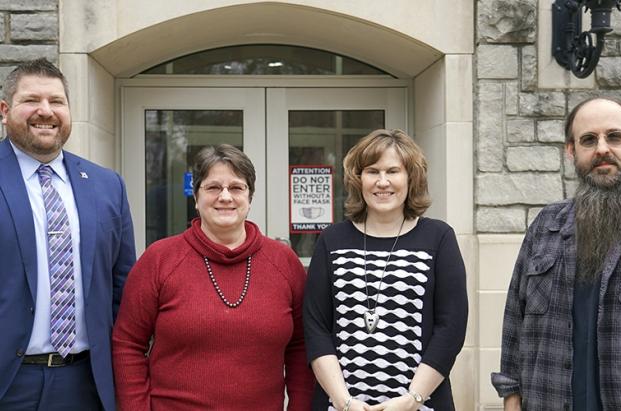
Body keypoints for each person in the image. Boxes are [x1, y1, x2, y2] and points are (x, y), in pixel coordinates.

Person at [112, 144, 314, 410]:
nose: (225, 196)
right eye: (213, 187)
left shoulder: (284, 262)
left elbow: (300, 348)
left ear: (250, 197)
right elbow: (127, 344)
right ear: (196, 197)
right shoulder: (159, 259)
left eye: (237, 187)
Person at [0, 58, 136, 411]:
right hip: (9, 383)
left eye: (57, 101)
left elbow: (124, 288)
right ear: (4, 110)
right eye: (32, 100)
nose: (45, 111)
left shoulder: (108, 185)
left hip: (86, 383)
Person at [304, 129, 468, 411]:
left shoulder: (439, 238)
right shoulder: (331, 240)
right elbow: (316, 327)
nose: (382, 182)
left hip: (422, 405)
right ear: (359, 178)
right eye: (372, 171)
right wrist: (344, 402)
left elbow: (451, 327)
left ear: (411, 177)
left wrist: (412, 400)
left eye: (393, 171)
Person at [491, 97, 621, 410]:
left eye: (615, 136)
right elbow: (515, 314)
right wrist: (511, 394)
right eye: (588, 140)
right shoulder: (546, 225)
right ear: (572, 151)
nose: (602, 149)